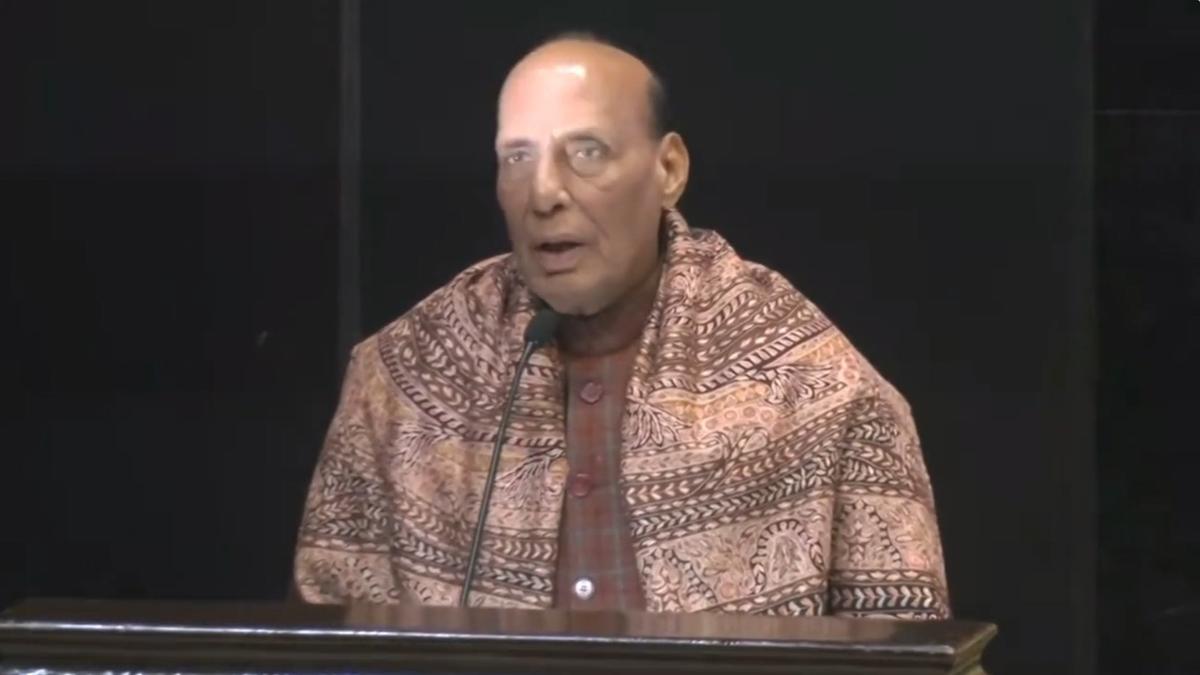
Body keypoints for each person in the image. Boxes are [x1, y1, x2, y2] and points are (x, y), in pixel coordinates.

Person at [293, 33, 951, 619]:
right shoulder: (397, 380)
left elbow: (910, 652)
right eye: (517, 157)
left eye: (587, 151)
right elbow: (324, 649)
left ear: (669, 170)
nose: (543, 194)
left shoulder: (820, 386)